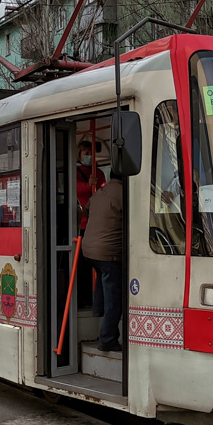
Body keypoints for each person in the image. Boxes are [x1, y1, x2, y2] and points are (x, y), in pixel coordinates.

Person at [81, 177, 124, 352]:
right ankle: (107, 339)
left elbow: (86, 211)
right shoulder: (125, 193)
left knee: (102, 283)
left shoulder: (101, 191)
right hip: (109, 252)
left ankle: (99, 321)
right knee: (115, 297)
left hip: (89, 250)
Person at [76, 139, 106, 313]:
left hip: (95, 222)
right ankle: (83, 299)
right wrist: (89, 184)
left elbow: (102, 189)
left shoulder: (99, 172)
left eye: (91, 153)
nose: (89, 157)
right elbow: (76, 189)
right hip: (82, 223)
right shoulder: (77, 172)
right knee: (82, 265)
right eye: (86, 153)